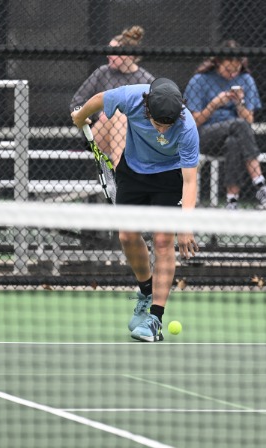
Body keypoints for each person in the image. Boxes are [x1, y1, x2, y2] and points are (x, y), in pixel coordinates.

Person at [71, 78, 200, 342]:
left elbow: (190, 180)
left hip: (169, 178)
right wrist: (80, 117)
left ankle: (155, 319)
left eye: (167, 125)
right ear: (147, 107)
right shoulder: (131, 97)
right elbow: (99, 99)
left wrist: (186, 225)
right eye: (157, 123)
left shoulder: (187, 126)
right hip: (133, 172)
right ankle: (146, 291)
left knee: (163, 241)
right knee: (127, 236)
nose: (162, 130)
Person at [183, 40, 266, 209]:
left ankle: (232, 201)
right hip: (204, 135)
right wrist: (213, 105)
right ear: (218, 62)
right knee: (239, 126)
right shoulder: (199, 80)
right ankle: (259, 183)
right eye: (228, 70)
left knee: (234, 142)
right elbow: (194, 122)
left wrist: (239, 103)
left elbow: (249, 120)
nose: (232, 74)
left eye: (236, 70)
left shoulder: (246, 79)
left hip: (236, 134)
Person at [70, 25, 155, 168]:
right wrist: (97, 113)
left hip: (137, 136)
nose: (108, 55)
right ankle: (120, 173)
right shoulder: (102, 73)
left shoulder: (146, 80)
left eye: (113, 52)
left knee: (122, 113)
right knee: (117, 113)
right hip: (100, 134)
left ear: (128, 55)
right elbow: (76, 103)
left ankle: (120, 174)